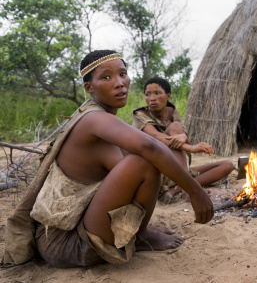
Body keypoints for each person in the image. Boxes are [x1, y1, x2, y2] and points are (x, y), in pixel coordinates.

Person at [2, 50, 214, 268]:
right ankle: (140, 236)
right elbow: (149, 146)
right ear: (89, 88)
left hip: (79, 228)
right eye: (106, 77)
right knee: (144, 159)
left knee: (143, 159)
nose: (119, 83)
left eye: (123, 74)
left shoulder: (101, 119)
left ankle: (141, 233)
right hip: (66, 243)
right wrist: (195, 191)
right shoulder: (93, 119)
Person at [132, 77, 234, 203]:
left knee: (227, 165)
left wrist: (184, 137)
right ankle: (188, 189)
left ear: (168, 96)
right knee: (175, 126)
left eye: (157, 93)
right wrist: (191, 147)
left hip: (178, 170)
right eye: (148, 94)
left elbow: (183, 142)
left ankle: (178, 189)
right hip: (158, 172)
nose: (152, 98)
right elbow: (156, 137)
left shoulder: (172, 112)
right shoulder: (139, 114)